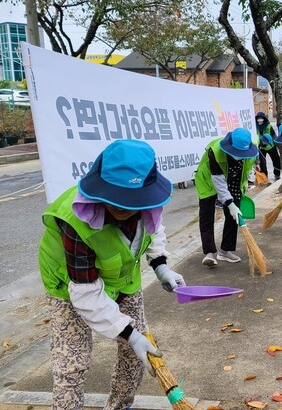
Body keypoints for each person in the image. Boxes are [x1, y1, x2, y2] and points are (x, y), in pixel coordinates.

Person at [38, 139, 186, 410]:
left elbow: (154, 230)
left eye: (132, 199)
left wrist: (161, 265)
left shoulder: (148, 204)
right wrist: (129, 332)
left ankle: (120, 406)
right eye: (115, 197)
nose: (123, 206)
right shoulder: (74, 221)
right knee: (72, 363)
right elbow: (85, 292)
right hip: (69, 284)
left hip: (122, 279)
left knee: (138, 355)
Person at [194, 127, 258, 266]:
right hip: (208, 181)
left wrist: (236, 200)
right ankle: (210, 252)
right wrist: (229, 203)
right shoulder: (215, 151)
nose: (239, 155)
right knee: (206, 215)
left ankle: (225, 250)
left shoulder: (251, 151)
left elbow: (246, 172)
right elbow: (219, 182)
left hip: (234, 179)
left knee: (233, 215)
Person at [255, 111, 281, 181]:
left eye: (261, 118)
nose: (260, 120)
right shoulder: (255, 127)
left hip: (270, 146)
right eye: (259, 118)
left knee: (276, 160)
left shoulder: (269, 126)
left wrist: (276, 144)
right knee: (262, 162)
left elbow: (274, 136)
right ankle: (264, 176)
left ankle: (277, 174)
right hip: (261, 147)